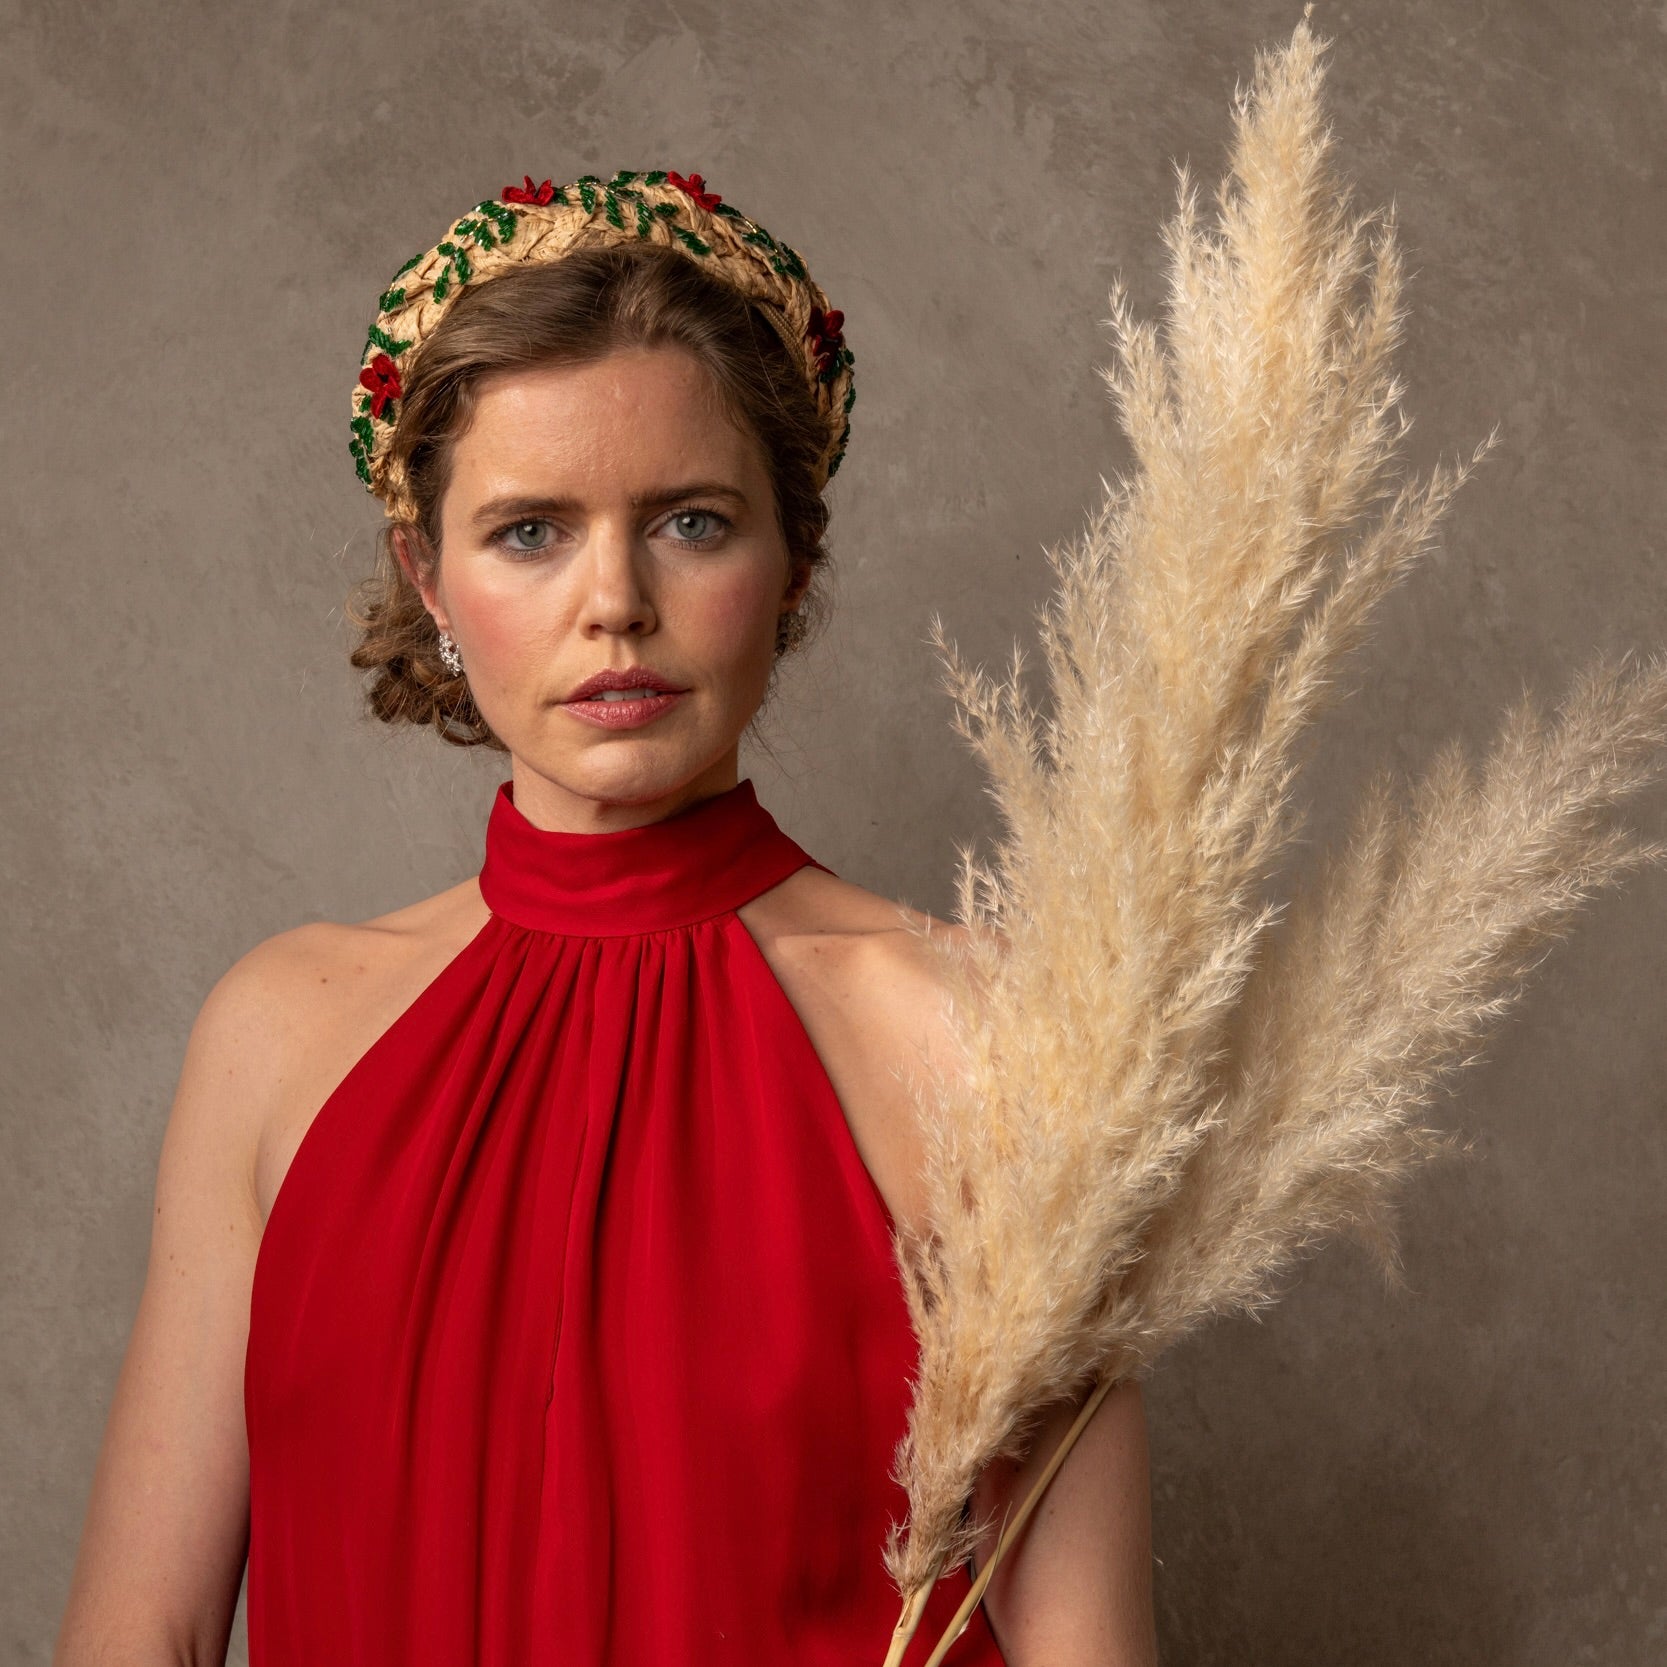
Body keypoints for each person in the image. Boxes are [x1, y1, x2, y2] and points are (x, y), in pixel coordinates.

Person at [53, 170, 1158, 1666]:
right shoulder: (277, 1036)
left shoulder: (990, 1037)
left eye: (692, 521)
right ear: (425, 575)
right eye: (529, 531)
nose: (615, 602)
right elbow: (145, 1633)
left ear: (795, 561)